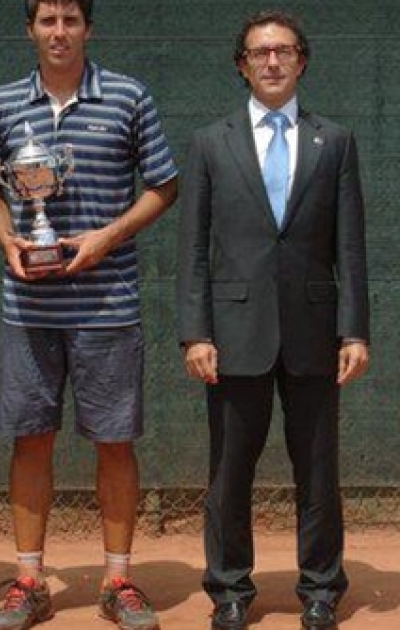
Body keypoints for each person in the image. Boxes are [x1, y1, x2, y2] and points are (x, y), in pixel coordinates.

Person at [0, 1, 178, 629]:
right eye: (46, 20)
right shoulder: (1, 104)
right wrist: (9, 241)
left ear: (88, 28)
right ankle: (29, 579)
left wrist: (107, 237)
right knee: (30, 439)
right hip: (28, 308)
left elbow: (163, 185)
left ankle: (118, 579)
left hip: (108, 305)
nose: (58, 32)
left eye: (70, 19)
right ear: (30, 29)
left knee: (113, 442)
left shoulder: (127, 96)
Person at [177, 10, 370, 630]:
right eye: (260, 53)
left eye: (284, 51)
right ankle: (230, 589)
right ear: (242, 65)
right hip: (234, 335)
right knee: (230, 470)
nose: (272, 62)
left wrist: (355, 330)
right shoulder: (211, 142)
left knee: (318, 469)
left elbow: (351, 246)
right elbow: (193, 249)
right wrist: (196, 332)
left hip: (315, 332)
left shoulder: (334, 141)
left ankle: (320, 587)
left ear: (302, 60)